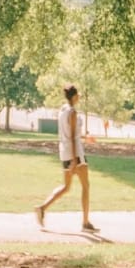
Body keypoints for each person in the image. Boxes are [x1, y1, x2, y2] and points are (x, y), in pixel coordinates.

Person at [35, 84, 97, 233]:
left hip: (64, 152)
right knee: (86, 186)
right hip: (75, 153)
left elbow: (71, 133)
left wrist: (84, 137)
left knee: (66, 187)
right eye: (78, 95)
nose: (79, 97)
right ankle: (85, 223)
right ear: (74, 96)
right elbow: (73, 138)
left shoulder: (63, 111)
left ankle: (42, 208)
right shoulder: (73, 112)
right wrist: (75, 160)